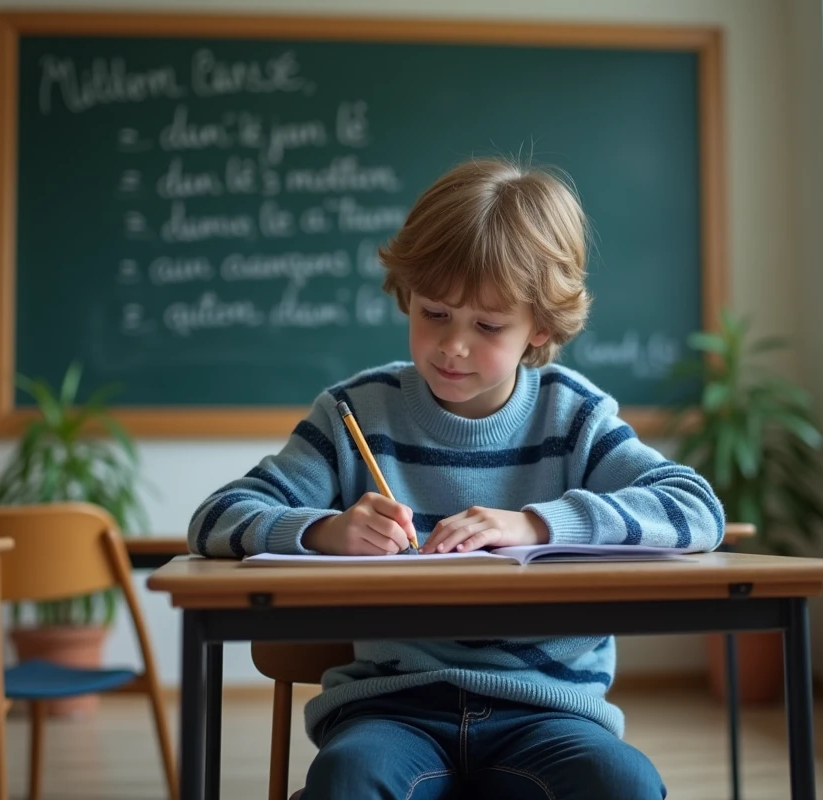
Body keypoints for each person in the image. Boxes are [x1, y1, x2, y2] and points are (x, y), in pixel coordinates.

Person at [188, 157, 726, 799]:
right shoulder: (356, 413)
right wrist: (325, 532)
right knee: (347, 780)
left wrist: (536, 525)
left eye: (488, 326)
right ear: (407, 295)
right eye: (434, 313)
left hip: (549, 713)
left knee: (625, 786)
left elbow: (696, 509)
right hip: (393, 711)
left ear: (540, 327)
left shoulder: (573, 417)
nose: (453, 346)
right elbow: (216, 518)